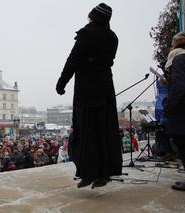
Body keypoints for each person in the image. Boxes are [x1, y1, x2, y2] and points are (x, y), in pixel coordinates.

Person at [56, 3, 122, 188]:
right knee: (103, 133)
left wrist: (62, 83)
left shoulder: (87, 34)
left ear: (93, 17)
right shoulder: (113, 37)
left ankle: (88, 172)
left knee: (85, 134)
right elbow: (108, 61)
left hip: (87, 92)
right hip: (106, 89)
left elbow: (73, 60)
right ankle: (102, 173)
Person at [164, 29, 185, 191]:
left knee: (184, 145)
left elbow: (179, 86)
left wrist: (169, 105)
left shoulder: (180, 58)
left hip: (184, 110)